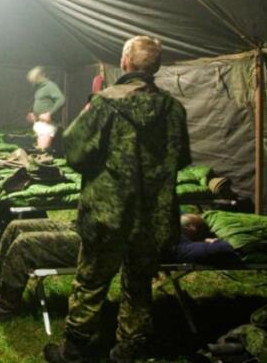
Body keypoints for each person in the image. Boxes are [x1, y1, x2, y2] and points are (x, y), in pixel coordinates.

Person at [45, 35, 191, 363]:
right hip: (152, 218)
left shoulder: (105, 102)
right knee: (139, 287)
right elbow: (179, 159)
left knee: (91, 282)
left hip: (107, 216)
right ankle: (129, 350)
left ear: (125, 62)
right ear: (156, 66)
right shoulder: (173, 109)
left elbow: (76, 153)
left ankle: (74, 352)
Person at [0, 214, 234, 325]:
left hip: (96, 248)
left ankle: (6, 306)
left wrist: (214, 241)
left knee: (25, 245)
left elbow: (223, 249)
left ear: (191, 230)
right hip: (87, 229)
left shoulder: (180, 243)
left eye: (187, 219)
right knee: (16, 226)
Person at [27, 66, 65, 152]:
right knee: (39, 151)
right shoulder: (39, 89)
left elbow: (61, 99)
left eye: (35, 78)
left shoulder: (50, 86)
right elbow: (43, 104)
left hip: (47, 125)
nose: (33, 81)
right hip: (39, 124)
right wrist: (34, 115)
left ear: (42, 75)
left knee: (42, 152)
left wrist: (50, 114)